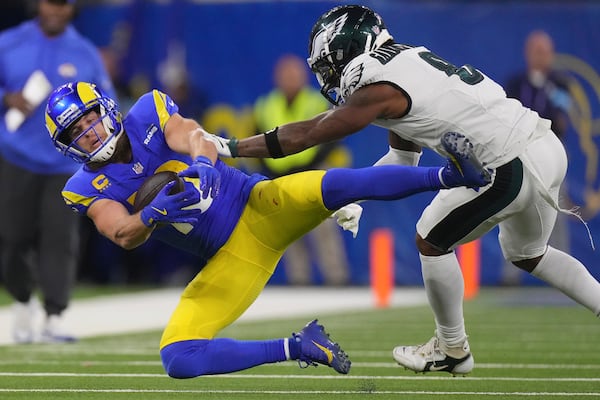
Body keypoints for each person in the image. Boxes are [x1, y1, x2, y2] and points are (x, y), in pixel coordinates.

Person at [205, 5, 600, 375]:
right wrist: (354, 196)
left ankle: (452, 348)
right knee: (529, 254)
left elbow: (307, 133)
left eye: (329, 65)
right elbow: (402, 161)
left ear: (350, 51)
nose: (326, 77)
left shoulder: (378, 85)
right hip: (544, 147)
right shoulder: (405, 64)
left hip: (505, 162)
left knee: (430, 240)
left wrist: (231, 147)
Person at [44, 81, 489, 378]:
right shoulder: (83, 186)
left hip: (258, 205)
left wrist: (201, 165)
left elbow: (195, 135)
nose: (88, 133)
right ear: (68, 145)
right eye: (76, 131)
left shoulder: (146, 112)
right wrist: (151, 214)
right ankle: (299, 347)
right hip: (234, 257)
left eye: (88, 120)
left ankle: (454, 175)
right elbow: (120, 232)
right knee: (178, 357)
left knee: (340, 186)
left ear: (105, 109)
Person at [0, 0, 115, 343]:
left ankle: (54, 316)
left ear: (72, 9)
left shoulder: (84, 52)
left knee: (60, 240)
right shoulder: (8, 42)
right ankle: (22, 300)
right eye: (50, 2)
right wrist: (6, 97)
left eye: (63, 4)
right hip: (14, 156)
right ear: (38, 4)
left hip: (65, 164)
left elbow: (106, 103)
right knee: (10, 238)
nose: (55, 10)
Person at [253, 53, 350, 285]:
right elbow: (257, 140)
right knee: (290, 230)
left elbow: (332, 138)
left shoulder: (317, 101)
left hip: (313, 172)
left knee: (323, 227)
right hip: (280, 177)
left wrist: (309, 165)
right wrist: (271, 172)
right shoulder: (266, 105)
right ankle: (299, 280)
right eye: (285, 75)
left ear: (304, 77)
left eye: (294, 74)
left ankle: (336, 278)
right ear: (277, 78)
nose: (290, 79)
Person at [502, 30, 573, 285]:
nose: (541, 57)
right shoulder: (516, 82)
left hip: (551, 155)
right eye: (536, 51)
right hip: (521, 154)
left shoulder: (560, 83)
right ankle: (509, 275)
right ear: (528, 53)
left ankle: (563, 275)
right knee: (509, 209)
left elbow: (560, 119)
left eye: (545, 52)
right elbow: (510, 114)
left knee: (557, 213)